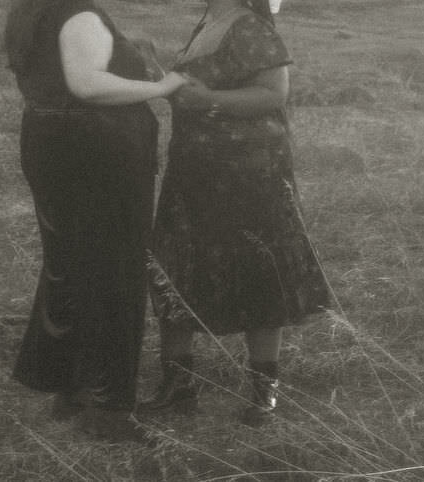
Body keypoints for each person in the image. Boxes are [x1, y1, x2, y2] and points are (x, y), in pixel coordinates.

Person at [3, 0, 187, 442]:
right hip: (95, 153)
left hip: (52, 142)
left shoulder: (32, 11)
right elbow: (86, 84)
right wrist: (165, 86)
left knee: (69, 267)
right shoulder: (79, 13)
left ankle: (73, 388)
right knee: (116, 275)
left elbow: (62, 71)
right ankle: (109, 409)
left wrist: (127, 50)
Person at [142, 0, 333, 427]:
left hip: (248, 174)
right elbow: (189, 94)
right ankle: (178, 388)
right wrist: (153, 65)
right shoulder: (210, 21)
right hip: (194, 172)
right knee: (178, 268)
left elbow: (272, 93)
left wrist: (208, 99)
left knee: (257, 272)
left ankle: (264, 394)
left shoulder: (249, 25)